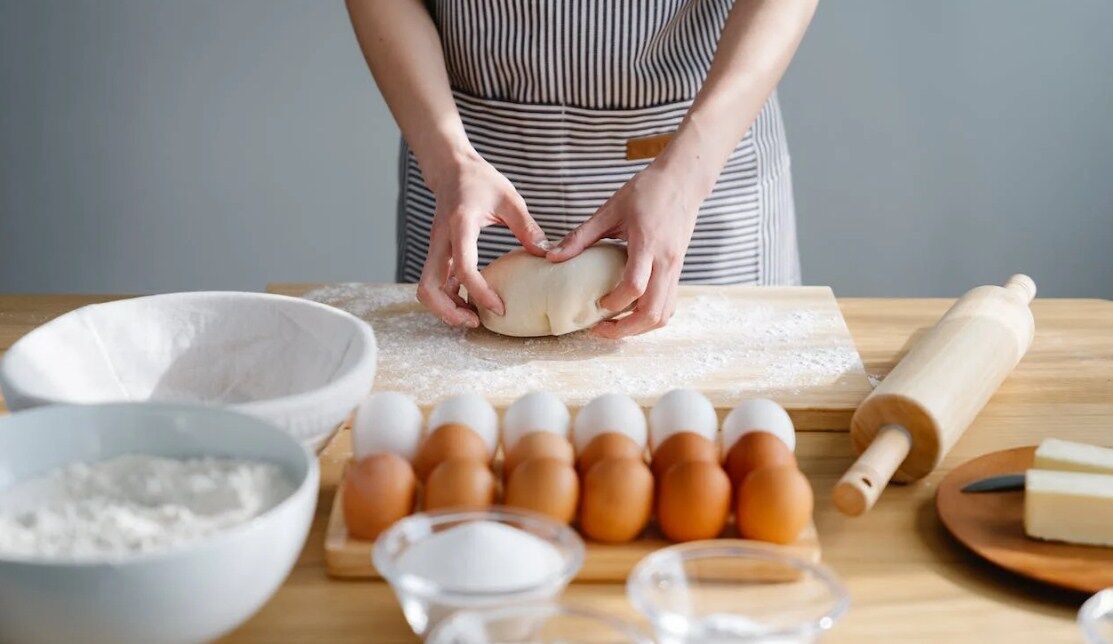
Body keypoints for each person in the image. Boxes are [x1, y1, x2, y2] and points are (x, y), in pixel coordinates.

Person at [347, 0, 817, 338]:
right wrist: (450, 161)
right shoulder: (456, 164)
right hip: (469, 166)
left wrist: (689, 172)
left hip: (694, 152)